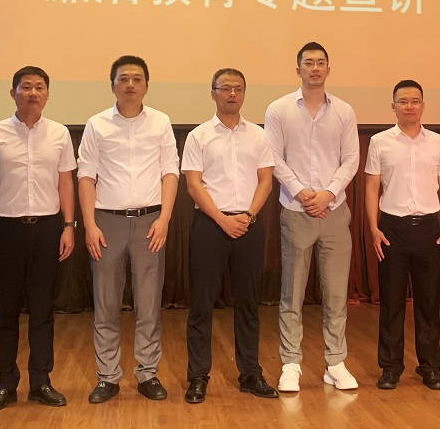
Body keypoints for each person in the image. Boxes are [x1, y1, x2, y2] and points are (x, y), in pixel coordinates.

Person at [0, 66, 77, 411]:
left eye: (39, 87)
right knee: (5, 310)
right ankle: (5, 382)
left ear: (47, 94)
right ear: (13, 93)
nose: (33, 93)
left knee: (43, 310)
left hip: (47, 229)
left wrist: (68, 226)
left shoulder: (60, 133)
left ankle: (41, 381)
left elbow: (65, 182)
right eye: (26, 87)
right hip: (5, 230)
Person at [77, 55, 179, 403]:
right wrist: (89, 225)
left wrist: (165, 218)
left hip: (151, 222)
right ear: (113, 85)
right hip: (106, 222)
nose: (130, 84)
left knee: (148, 304)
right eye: (123, 79)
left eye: (137, 78)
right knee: (106, 303)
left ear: (146, 86)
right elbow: (86, 175)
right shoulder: (97, 124)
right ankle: (107, 377)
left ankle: (147, 373)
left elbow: (170, 171)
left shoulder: (161, 122)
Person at [264, 41, 360, 392]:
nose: (315, 68)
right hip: (296, 211)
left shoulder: (344, 111)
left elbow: (351, 159)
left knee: (336, 295)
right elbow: (273, 157)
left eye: (321, 63)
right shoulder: (278, 109)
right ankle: (291, 363)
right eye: (308, 63)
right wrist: (304, 193)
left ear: (328, 69)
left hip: (334, 212)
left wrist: (328, 194)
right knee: (292, 294)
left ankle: (335, 363)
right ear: (298, 69)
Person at [181, 69, 279, 404]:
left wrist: (248, 216)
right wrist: (222, 220)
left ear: (244, 93)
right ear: (213, 93)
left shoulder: (259, 136)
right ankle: (198, 377)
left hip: (248, 224)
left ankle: (250, 373)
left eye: (238, 88)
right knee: (201, 303)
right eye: (225, 88)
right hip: (210, 225)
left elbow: (265, 180)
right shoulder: (199, 136)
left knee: (249, 302)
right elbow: (193, 184)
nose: (232, 94)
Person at [364, 80, 440, 391]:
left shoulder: (438, 142)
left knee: (429, 302)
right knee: (391, 302)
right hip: (392, 228)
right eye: (403, 101)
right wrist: (373, 227)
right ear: (393, 106)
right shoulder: (379, 142)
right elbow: (372, 187)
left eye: (415, 101)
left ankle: (430, 367)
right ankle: (390, 367)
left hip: (430, 228)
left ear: (423, 105)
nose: (409, 106)